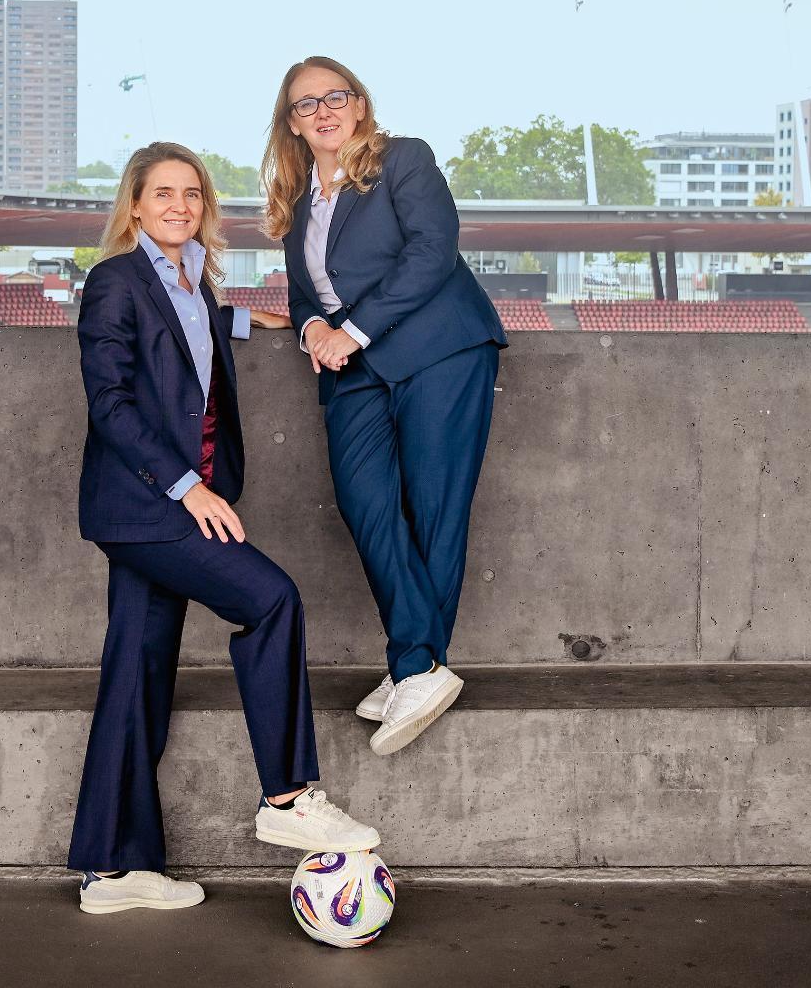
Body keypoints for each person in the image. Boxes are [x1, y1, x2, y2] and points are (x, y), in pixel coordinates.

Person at [68, 141, 382, 916]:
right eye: (162, 193)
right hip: (150, 506)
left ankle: (111, 869)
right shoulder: (113, 280)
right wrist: (189, 490)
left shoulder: (189, 282)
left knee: (135, 677)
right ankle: (285, 794)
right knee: (271, 598)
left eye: (192, 195)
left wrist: (258, 319)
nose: (179, 205)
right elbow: (110, 403)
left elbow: (193, 327)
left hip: (153, 507)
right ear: (134, 205)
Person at [263, 57, 507, 756]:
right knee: (364, 502)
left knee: (433, 507)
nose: (323, 110)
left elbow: (434, 251)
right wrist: (311, 326)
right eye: (306, 104)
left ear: (360, 104)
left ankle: (413, 664)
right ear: (291, 123)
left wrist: (352, 329)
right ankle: (418, 660)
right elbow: (309, 291)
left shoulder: (404, 160)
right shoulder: (297, 197)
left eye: (335, 96)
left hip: (440, 348)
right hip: (351, 364)